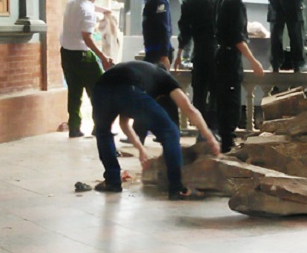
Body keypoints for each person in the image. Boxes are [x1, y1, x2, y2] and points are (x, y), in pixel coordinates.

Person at [91, 61, 220, 200]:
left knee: (103, 133)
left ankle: (112, 181)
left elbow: (124, 123)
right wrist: (209, 136)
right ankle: (177, 188)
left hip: (100, 90)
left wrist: (141, 149)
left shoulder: (142, 72)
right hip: (128, 89)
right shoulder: (166, 79)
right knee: (170, 132)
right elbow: (188, 108)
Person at [215, 0, 264, 152]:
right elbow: (237, 38)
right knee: (231, 102)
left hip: (221, 55)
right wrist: (253, 60)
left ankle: (224, 139)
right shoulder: (234, 3)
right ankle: (228, 143)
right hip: (229, 57)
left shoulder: (221, 0)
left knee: (222, 100)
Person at [173, 0, 226, 136]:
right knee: (217, 92)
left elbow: (185, 31)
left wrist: (179, 54)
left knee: (199, 93)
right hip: (219, 51)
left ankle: (202, 133)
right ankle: (215, 130)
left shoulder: (189, 1)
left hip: (200, 52)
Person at [60, 0, 113, 138]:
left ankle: (74, 127)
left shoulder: (72, 2)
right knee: (99, 90)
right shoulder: (88, 12)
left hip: (66, 53)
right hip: (83, 55)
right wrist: (103, 57)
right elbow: (87, 38)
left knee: (74, 91)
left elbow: (89, 5)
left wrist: (104, 10)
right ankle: (100, 127)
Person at [131, 0, 178, 143]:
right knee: (158, 94)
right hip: (152, 53)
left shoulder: (158, 0)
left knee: (152, 93)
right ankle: (163, 131)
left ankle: (141, 132)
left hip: (159, 55)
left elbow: (164, 29)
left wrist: (164, 55)